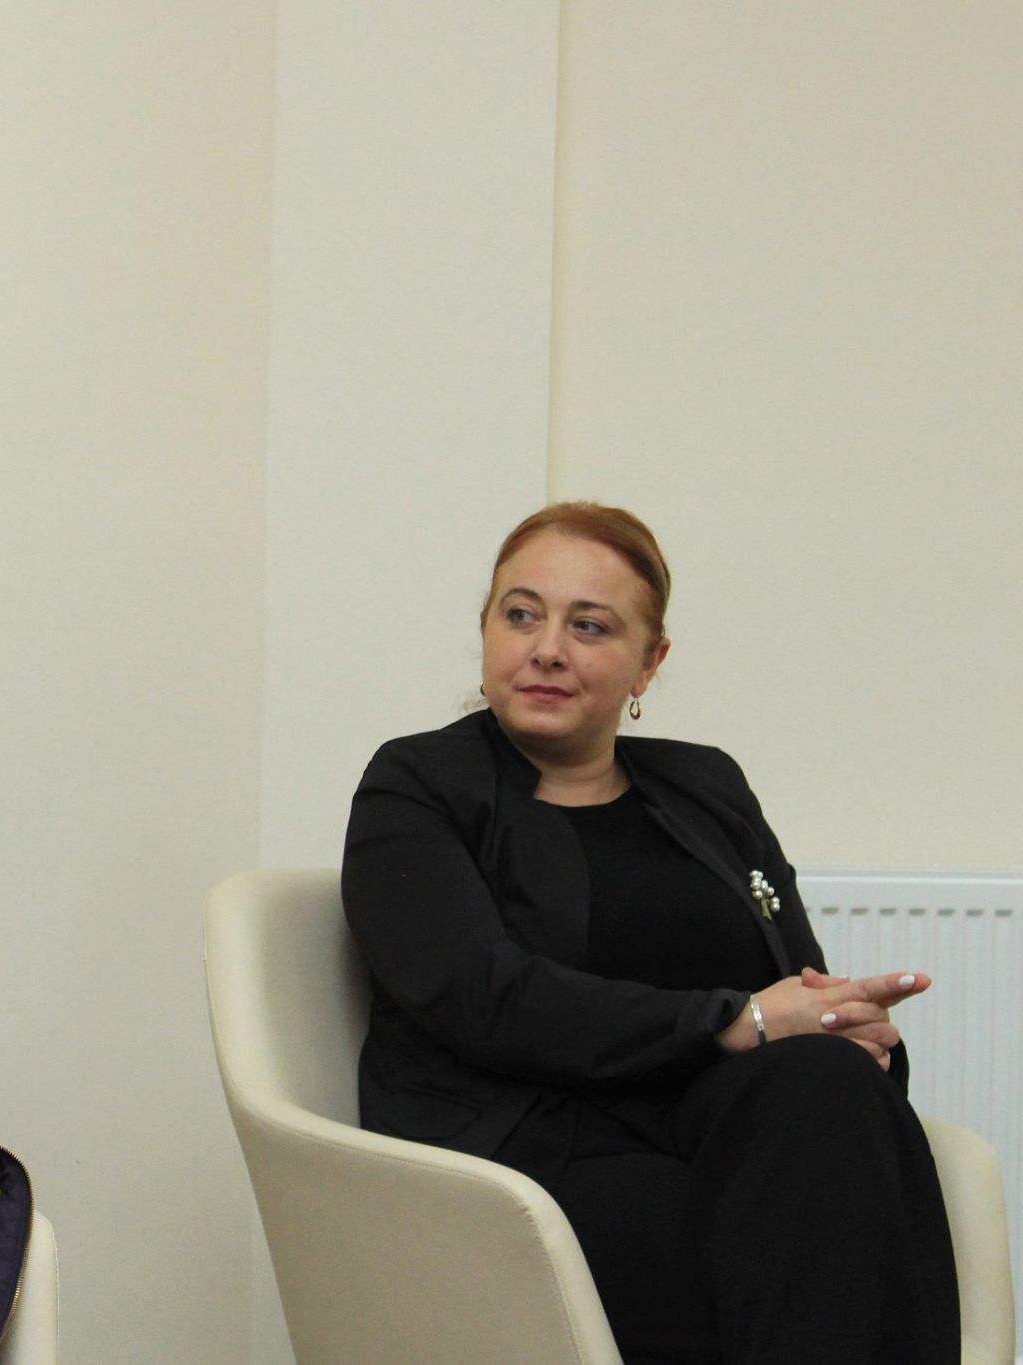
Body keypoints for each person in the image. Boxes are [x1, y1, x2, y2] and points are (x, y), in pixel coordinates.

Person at [340, 502, 959, 1363]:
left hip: (711, 1125)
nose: (547, 648)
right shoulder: (416, 783)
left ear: (650, 660)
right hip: (526, 1146)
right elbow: (483, 996)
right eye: (521, 614)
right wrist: (732, 1021)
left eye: (589, 626)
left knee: (831, 1089)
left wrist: (846, 1026)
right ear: (485, 629)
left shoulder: (708, 786)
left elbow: (796, 983)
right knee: (768, 1232)